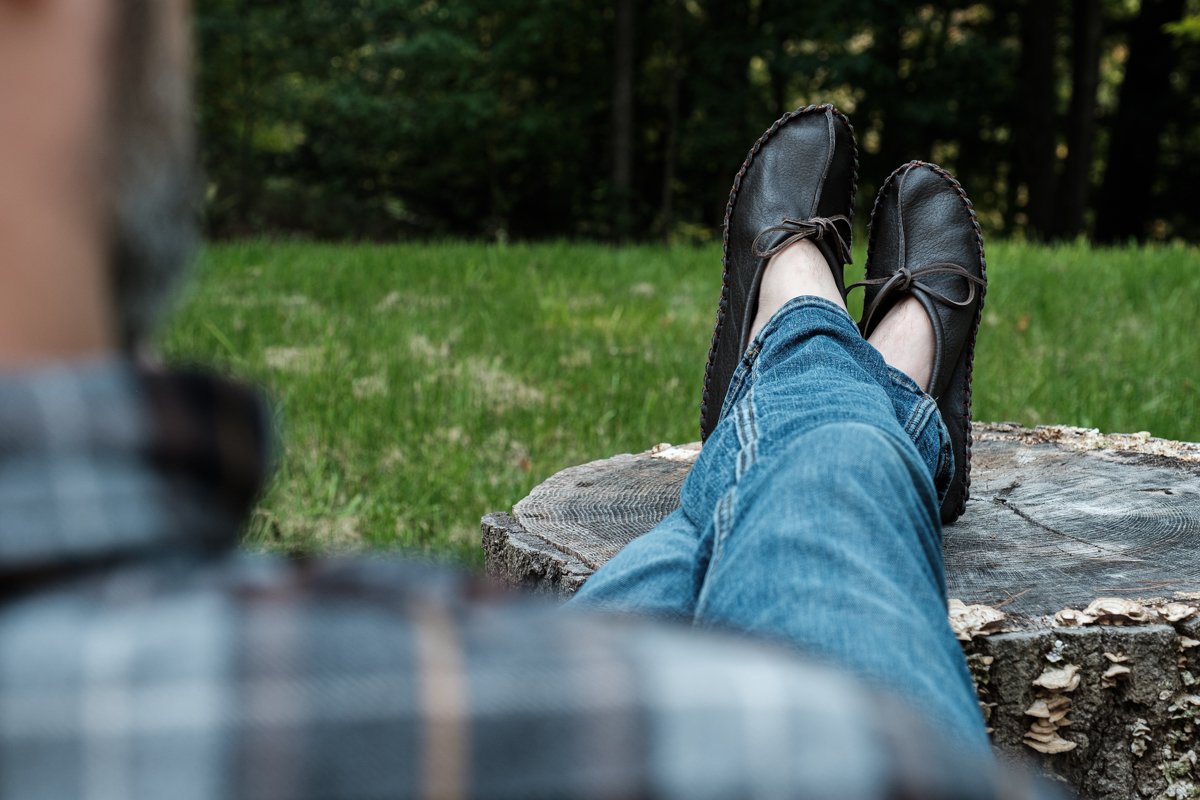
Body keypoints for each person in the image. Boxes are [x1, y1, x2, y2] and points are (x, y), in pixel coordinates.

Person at [0, 1, 1054, 797]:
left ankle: (806, 348)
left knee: (699, 528)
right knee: (821, 473)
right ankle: (851, 375)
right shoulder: (830, 756)